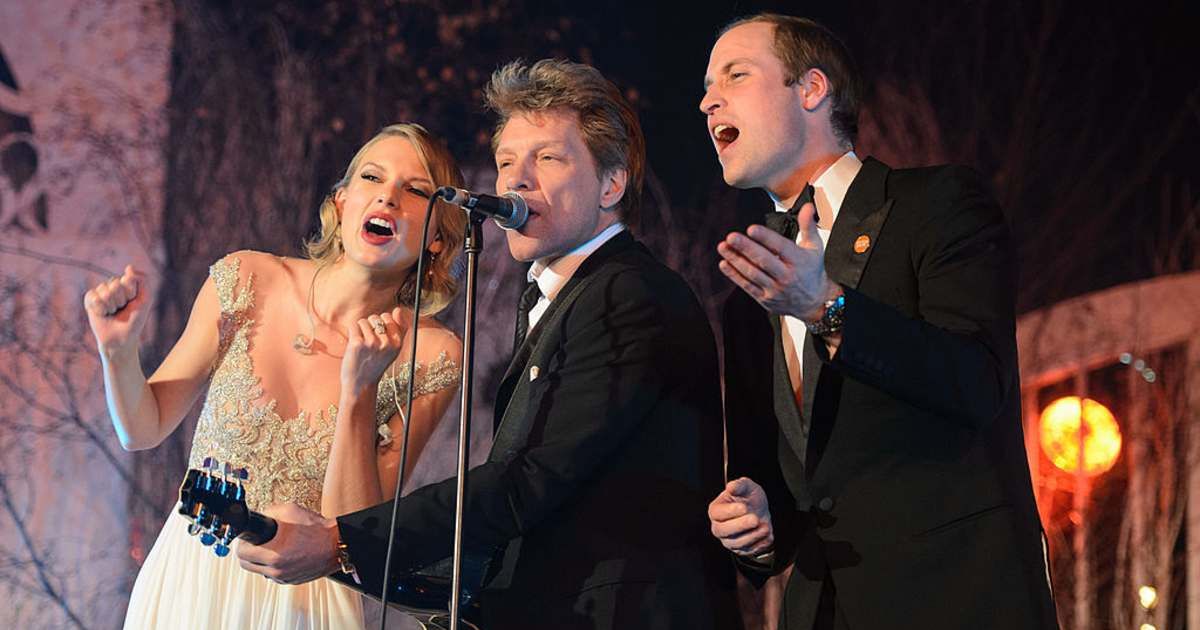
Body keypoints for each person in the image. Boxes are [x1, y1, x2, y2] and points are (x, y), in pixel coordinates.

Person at [235, 59, 741, 630]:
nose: (515, 181)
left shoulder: (627, 293)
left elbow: (530, 478)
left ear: (610, 183)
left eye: (547, 158)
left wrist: (338, 541)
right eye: (506, 162)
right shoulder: (559, 297)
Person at [701, 13, 1059, 630]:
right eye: (706, 87)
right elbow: (786, 507)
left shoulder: (937, 205)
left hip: (958, 603)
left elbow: (976, 383)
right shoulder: (746, 298)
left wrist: (825, 308)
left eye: (736, 75)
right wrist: (754, 525)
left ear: (812, 90)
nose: (708, 101)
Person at [84, 123, 468, 630]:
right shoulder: (247, 278)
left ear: (438, 239)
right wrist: (117, 351)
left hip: (307, 605)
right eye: (372, 178)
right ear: (341, 202)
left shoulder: (432, 354)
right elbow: (141, 429)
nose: (388, 197)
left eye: (415, 190)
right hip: (188, 582)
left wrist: (359, 390)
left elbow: (356, 534)